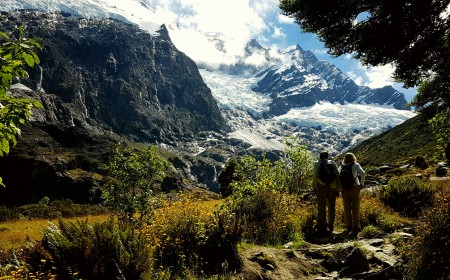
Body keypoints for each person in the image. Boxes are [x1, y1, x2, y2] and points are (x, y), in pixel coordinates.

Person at [313, 151, 341, 235]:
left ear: (320, 156)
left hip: (322, 185)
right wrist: (338, 187)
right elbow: (337, 175)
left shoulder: (317, 163)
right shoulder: (332, 162)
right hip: (332, 186)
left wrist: (314, 186)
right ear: (327, 156)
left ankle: (322, 225)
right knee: (331, 205)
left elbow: (315, 175)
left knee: (321, 205)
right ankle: (331, 225)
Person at [339, 152, 366, 237]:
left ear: (345, 159)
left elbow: (337, 176)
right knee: (355, 208)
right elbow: (363, 173)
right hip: (354, 188)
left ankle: (348, 226)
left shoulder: (341, 167)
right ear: (353, 157)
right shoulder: (355, 165)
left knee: (347, 208)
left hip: (344, 189)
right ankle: (356, 227)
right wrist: (361, 183)